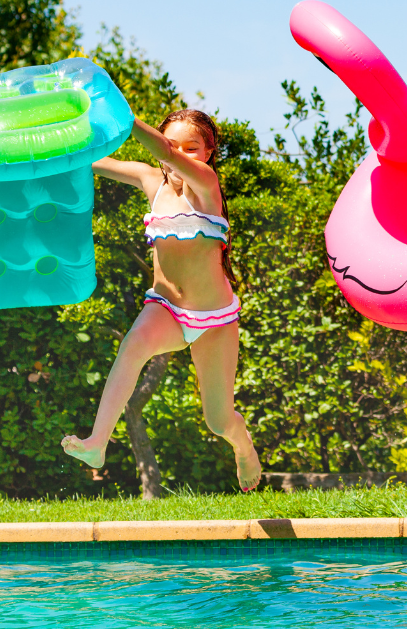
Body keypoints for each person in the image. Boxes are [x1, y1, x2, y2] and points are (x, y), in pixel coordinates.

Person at [61, 109, 262, 491]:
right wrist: (49, 151)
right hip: (166, 308)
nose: (183, 155)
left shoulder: (206, 183)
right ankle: (97, 444)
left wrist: (125, 117)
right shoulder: (150, 180)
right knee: (132, 345)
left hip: (214, 318)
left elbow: (167, 152)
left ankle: (243, 447)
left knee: (218, 421)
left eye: (193, 148)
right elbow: (93, 162)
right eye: (176, 145)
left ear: (208, 153)